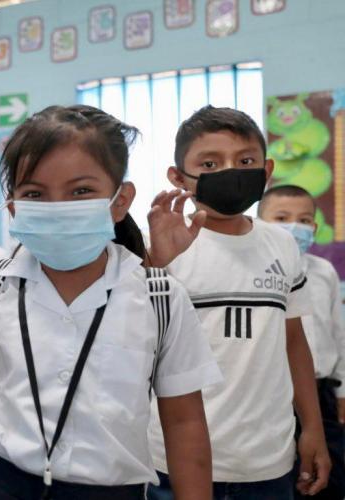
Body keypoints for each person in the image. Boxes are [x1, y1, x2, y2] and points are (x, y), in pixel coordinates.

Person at [0, 105, 222, 499]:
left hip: (109, 490)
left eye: (80, 191)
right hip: (0, 482)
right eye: (35, 194)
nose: (57, 208)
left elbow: (184, 424)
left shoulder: (158, 297)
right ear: (13, 204)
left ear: (121, 198)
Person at [147, 105, 331, 499]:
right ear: (179, 177)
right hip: (172, 460)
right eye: (209, 163)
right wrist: (153, 265)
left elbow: (294, 342)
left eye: (245, 160)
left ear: (265, 171)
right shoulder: (165, 249)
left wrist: (312, 428)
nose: (229, 171)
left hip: (267, 460)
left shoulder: (281, 243)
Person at [259, 184, 345, 500]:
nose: (294, 227)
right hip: (272, 393)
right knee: (283, 480)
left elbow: (339, 335)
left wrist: (342, 394)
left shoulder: (324, 272)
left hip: (321, 392)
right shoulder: (252, 274)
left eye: (304, 219)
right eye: (281, 217)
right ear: (259, 222)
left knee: (326, 479)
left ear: (314, 227)